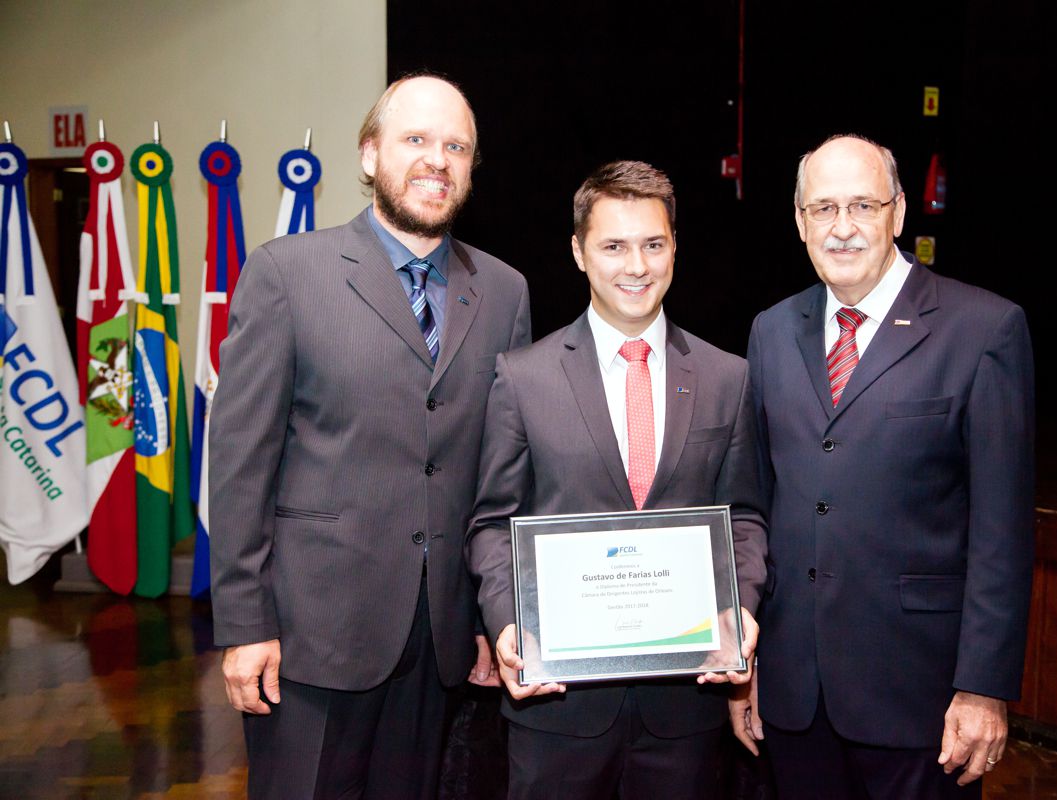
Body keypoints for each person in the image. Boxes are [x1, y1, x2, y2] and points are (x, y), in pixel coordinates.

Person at [208, 74, 530, 800]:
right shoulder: (287, 274)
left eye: (456, 146)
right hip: (309, 639)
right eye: (416, 139)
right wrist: (243, 624)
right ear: (368, 154)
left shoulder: (505, 292)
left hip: (440, 642)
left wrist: (492, 614)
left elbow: (499, 480)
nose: (437, 160)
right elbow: (238, 465)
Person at [732, 134, 1034, 799]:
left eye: (863, 206)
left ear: (898, 212)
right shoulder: (771, 331)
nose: (842, 228)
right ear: (799, 220)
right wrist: (744, 665)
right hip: (794, 694)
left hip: (919, 701)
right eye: (823, 209)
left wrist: (983, 688)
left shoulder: (984, 330)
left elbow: (1001, 533)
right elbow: (755, 504)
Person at [466, 161, 768, 800]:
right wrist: (506, 622)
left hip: (683, 713)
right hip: (556, 710)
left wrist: (740, 605)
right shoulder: (524, 378)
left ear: (675, 248)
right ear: (578, 252)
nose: (637, 265)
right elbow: (494, 522)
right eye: (614, 246)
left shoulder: (727, 378)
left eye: (653, 244)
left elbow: (744, 517)